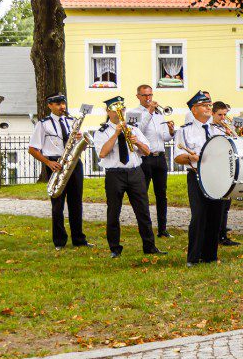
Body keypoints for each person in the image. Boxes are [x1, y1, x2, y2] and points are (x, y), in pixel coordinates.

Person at [94, 96, 162, 258]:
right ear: (108, 112)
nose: (120, 113)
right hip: (114, 174)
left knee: (143, 210)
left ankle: (149, 246)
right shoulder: (102, 131)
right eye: (115, 110)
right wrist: (116, 134)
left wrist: (136, 141)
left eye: (122, 109)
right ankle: (115, 248)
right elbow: (102, 153)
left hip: (135, 172)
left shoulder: (134, 128)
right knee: (113, 212)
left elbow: (147, 151)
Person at [28, 93, 91, 250]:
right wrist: (48, 162)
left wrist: (79, 138)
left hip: (74, 163)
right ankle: (59, 241)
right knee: (57, 205)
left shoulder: (72, 121)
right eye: (57, 104)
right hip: (56, 164)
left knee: (76, 203)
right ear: (50, 105)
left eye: (63, 103)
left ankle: (79, 239)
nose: (62, 106)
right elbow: (32, 149)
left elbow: (76, 143)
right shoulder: (43, 124)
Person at [175, 90, 226, 267]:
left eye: (209, 105)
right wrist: (190, 158)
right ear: (193, 110)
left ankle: (210, 255)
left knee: (215, 215)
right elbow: (178, 157)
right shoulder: (185, 131)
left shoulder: (218, 129)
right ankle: (193, 257)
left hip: (217, 176)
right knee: (199, 216)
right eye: (204, 105)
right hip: (197, 176)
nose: (208, 108)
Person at [126, 85, 175, 238]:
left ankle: (163, 229)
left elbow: (165, 137)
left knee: (162, 194)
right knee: (142, 195)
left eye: (150, 95)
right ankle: (145, 229)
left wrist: (171, 131)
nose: (149, 98)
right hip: (144, 158)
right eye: (145, 95)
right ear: (138, 96)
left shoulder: (159, 114)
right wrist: (149, 112)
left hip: (160, 157)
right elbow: (137, 129)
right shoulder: (133, 113)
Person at [211, 101, 240, 247]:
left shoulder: (228, 127)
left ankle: (223, 235)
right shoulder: (211, 128)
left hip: (228, 167)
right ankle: (216, 235)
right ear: (213, 114)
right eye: (220, 115)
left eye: (224, 115)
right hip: (217, 169)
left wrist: (233, 134)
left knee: (226, 204)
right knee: (218, 205)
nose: (223, 118)